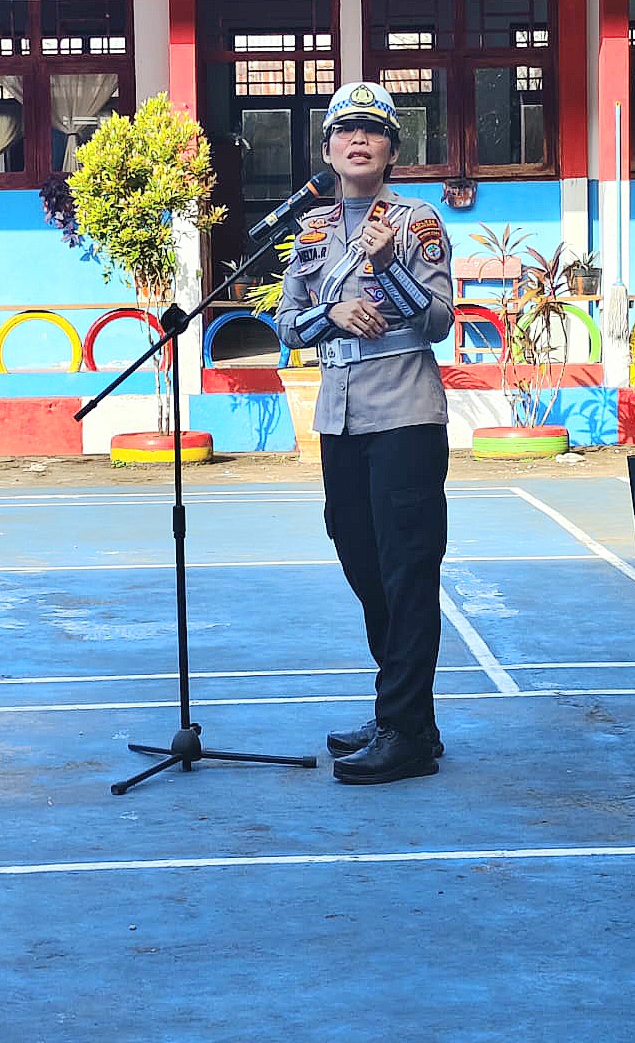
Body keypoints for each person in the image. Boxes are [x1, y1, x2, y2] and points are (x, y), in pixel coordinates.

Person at [275, 81, 455, 785]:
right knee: (362, 562)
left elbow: (437, 321)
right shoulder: (312, 229)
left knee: (408, 571)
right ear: (327, 150)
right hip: (340, 417)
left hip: (405, 414)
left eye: (374, 130)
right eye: (345, 129)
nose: (359, 139)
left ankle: (403, 729)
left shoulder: (416, 221)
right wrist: (332, 315)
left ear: (391, 151)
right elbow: (288, 325)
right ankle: (408, 716)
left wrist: (387, 268)